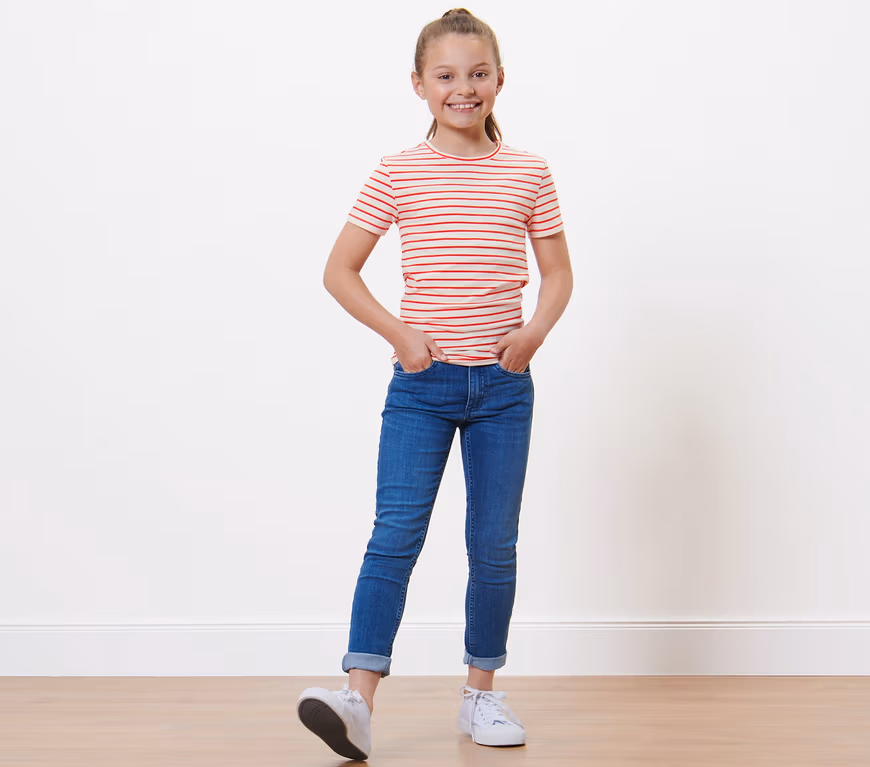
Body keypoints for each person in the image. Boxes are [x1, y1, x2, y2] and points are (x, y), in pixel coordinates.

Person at [297, 7, 573, 761]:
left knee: (493, 543)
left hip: (503, 389)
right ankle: (357, 700)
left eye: (477, 73)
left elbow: (557, 273)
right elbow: (339, 270)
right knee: (395, 534)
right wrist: (400, 335)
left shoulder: (528, 171)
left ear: (500, 80)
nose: (463, 88)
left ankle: (482, 693)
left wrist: (533, 333)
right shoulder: (398, 172)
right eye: (446, 75)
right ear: (418, 84)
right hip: (420, 387)